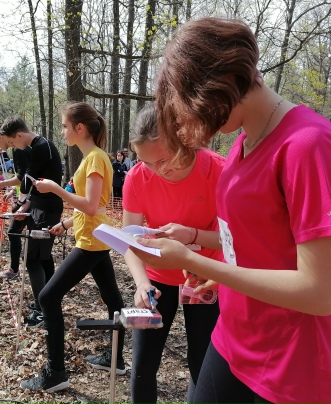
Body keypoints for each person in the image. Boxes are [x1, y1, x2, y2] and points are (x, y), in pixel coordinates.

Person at [131, 18, 331, 404]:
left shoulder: (309, 146)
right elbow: (259, 244)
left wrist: (194, 261)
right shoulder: (243, 143)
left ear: (219, 85)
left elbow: (321, 293)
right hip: (235, 337)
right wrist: (210, 261)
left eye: (192, 108)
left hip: (294, 364)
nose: (193, 124)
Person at [20, 101, 125, 392]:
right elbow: (95, 206)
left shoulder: (95, 158)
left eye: (65, 126)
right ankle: (115, 358)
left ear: (80, 128)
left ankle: (55, 372)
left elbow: (91, 206)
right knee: (112, 297)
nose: (62, 131)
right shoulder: (93, 157)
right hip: (95, 235)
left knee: (47, 297)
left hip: (92, 241)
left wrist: (54, 188)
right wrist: (66, 224)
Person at [124, 103, 223, 404]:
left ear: (185, 140)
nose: (157, 170)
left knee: (201, 364)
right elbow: (129, 240)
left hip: (204, 276)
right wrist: (141, 284)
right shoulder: (137, 177)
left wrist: (192, 235)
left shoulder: (219, 170)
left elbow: (234, 240)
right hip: (155, 278)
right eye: (146, 162)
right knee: (143, 366)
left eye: (164, 160)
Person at [0, 117, 63, 327]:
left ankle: (43, 310)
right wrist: (25, 207)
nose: (13, 147)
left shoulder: (41, 147)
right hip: (40, 207)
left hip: (47, 210)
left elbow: (26, 180)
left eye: (12, 142)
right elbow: (34, 184)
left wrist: (21, 201)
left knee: (33, 259)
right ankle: (48, 301)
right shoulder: (39, 146)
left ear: (19, 135)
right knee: (43, 258)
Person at [0, 125, 31, 280]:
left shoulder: (19, 150)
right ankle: (20, 268)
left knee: (14, 232)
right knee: (15, 232)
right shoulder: (18, 149)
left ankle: (15, 269)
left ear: (2, 136)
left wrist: (1, 184)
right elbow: (24, 176)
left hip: (30, 201)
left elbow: (23, 177)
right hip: (25, 198)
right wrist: (13, 191)